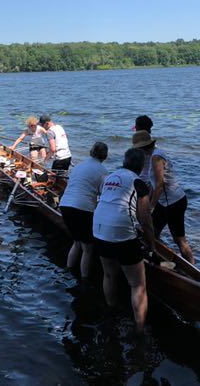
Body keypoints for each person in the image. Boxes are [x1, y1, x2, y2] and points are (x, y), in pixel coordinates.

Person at [92, 148, 155, 333]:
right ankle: (140, 328)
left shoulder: (109, 177)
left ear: (124, 161)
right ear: (142, 165)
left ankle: (111, 311)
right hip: (121, 233)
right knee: (137, 284)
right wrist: (151, 244)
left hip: (99, 229)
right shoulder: (138, 182)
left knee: (109, 274)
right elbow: (145, 219)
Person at [133, 131, 193, 264]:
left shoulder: (156, 158)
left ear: (141, 147)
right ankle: (157, 259)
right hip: (164, 201)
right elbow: (153, 185)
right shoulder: (153, 155)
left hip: (174, 202)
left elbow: (159, 184)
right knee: (152, 231)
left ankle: (194, 269)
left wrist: (151, 206)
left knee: (179, 240)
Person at [58, 142, 109, 281]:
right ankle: (84, 279)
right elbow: (103, 194)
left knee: (76, 241)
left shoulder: (79, 165)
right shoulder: (103, 171)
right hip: (83, 208)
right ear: (105, 156)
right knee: (87, 247)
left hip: (65, 204)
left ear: (91, 152)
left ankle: (68, 270)